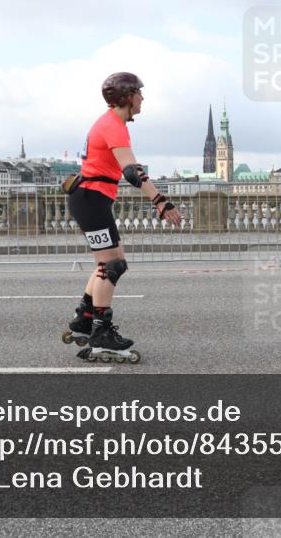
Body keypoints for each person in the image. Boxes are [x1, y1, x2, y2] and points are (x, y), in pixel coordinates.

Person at [64, 72, 183, 362]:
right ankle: (101, 332)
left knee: (111, 262)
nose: (143, 98)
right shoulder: (113, 125)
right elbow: (132, 171)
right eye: (139, 93)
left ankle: (84, 317)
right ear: (126, 96)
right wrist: (161, 201)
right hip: (90, 199)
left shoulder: (109, 123)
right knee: (112, 265)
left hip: (89, 198)